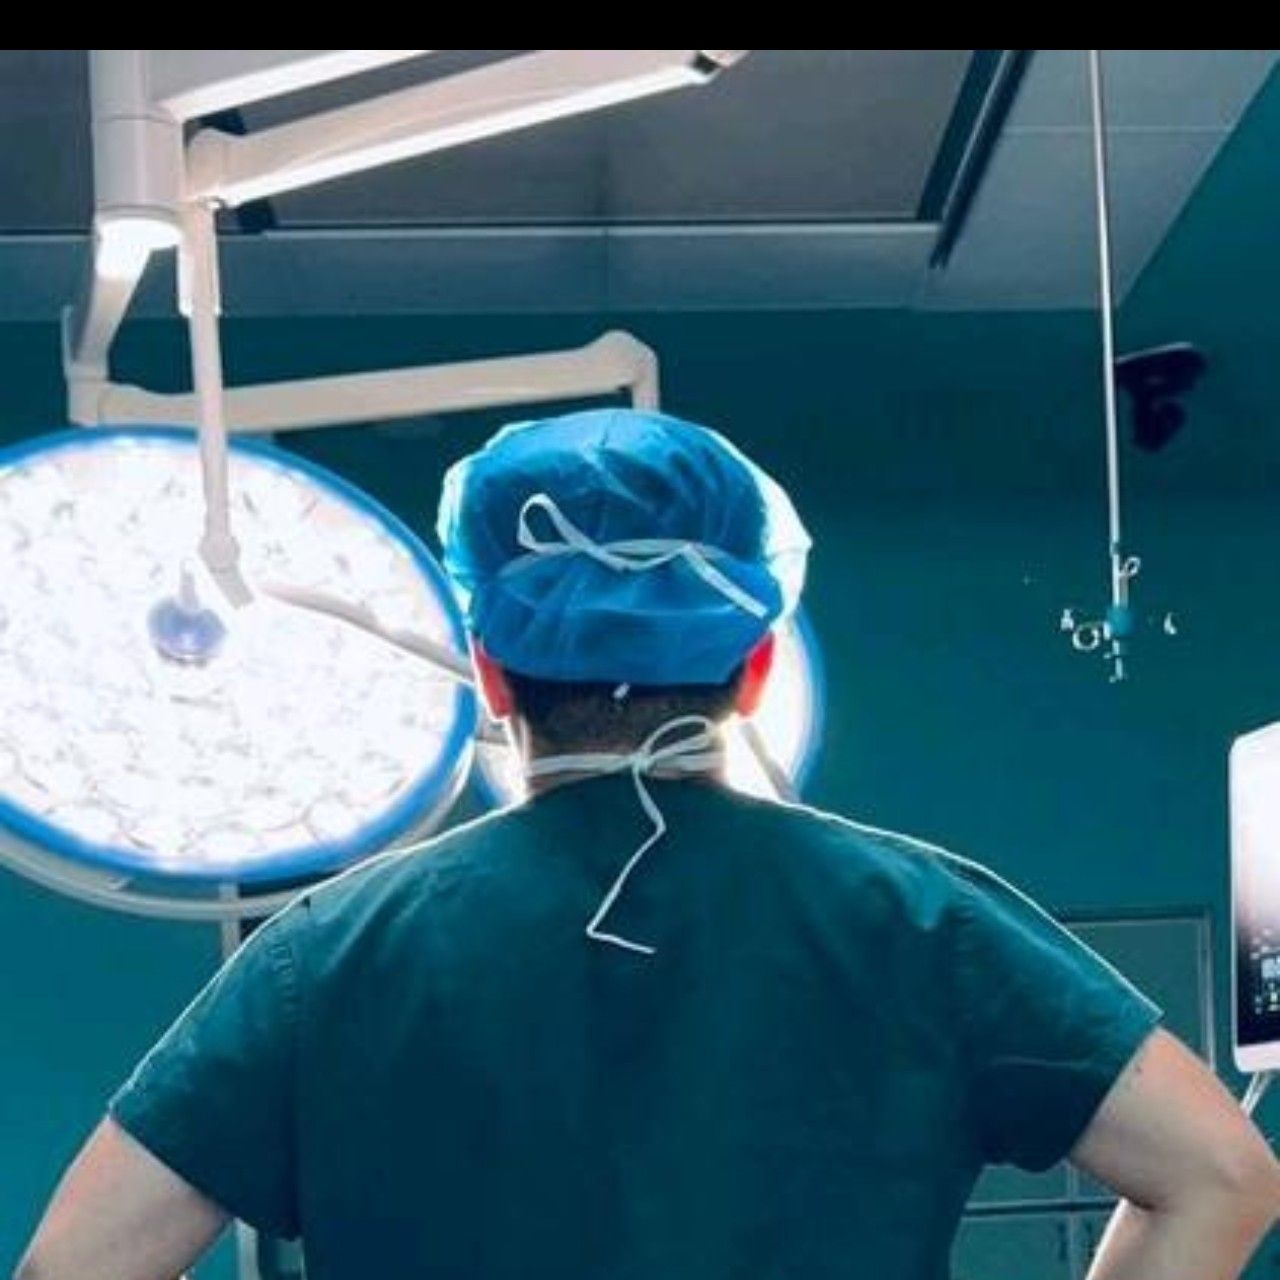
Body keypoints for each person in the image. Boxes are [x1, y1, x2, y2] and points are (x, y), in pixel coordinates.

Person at [16, 408, 1279, 1280]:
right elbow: (1223, 1177)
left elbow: (75, 1265)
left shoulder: (327, 955)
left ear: (487, 669)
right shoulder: (918, 918)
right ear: (755, 664)